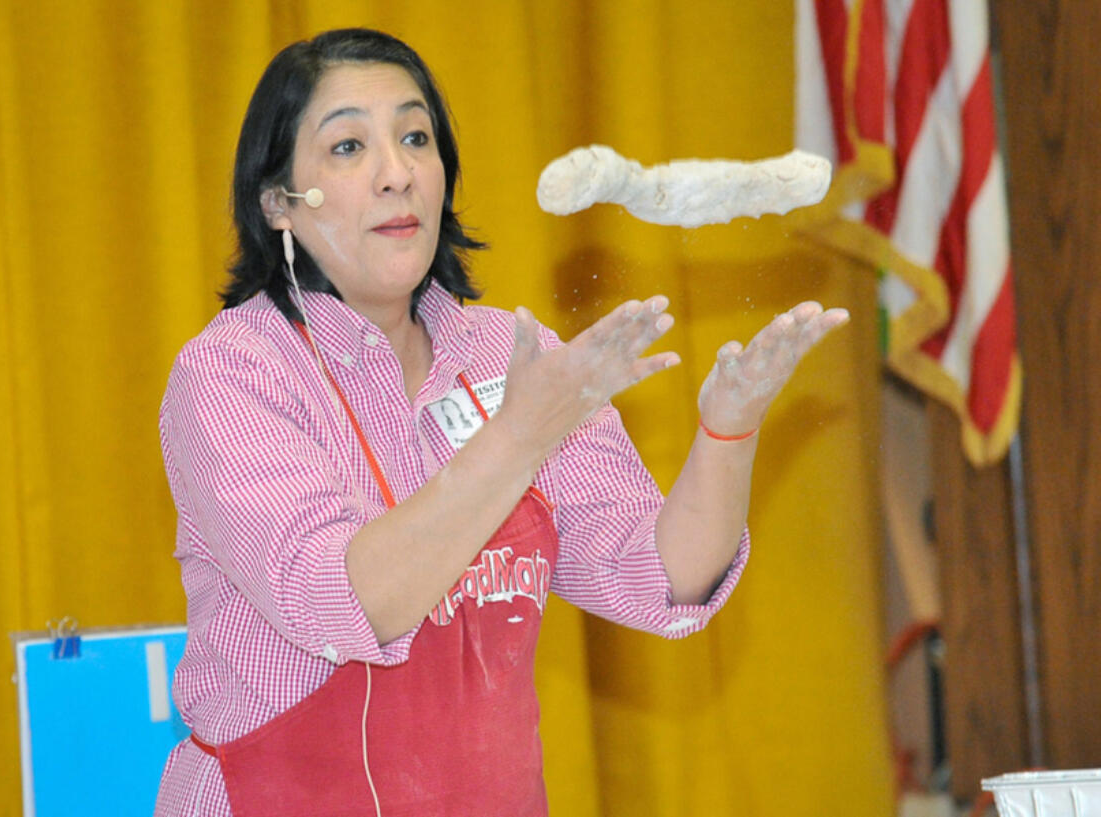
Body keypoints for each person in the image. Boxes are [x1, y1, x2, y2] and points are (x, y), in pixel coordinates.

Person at [155, 27, 849, 817]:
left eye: (416, 137)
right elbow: (340, 602)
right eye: (348, 147)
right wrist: (517, 438)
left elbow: (662, 577)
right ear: (278, 201)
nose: (397, 173)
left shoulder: (504, 355)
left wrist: (730, 430)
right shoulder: (235, 371)